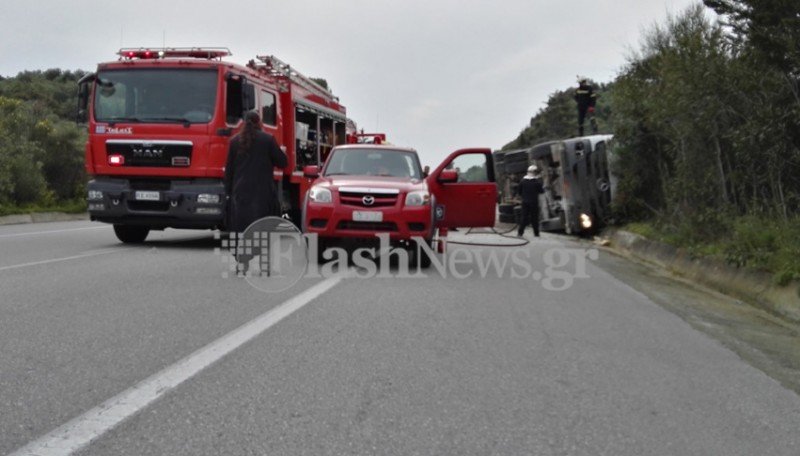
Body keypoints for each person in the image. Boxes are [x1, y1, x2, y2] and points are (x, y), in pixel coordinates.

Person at [224, 111, 288, 271]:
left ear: (244, 122)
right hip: (262, 193)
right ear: (259, 122)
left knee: (241, 229)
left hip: (241, 193)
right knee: (263, 229)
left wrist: (229, 192)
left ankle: (242, 263)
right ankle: (264, 265)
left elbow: (229, 170)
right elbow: (283, 162)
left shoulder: (234, 142)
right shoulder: (267, 140)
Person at [516, 165, 545, 238]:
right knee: (534, 218)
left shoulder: (522, 181)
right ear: (534, 172)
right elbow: (541, 191)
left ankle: (520, 233)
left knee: (524, 218)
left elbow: (519, 192)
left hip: (525, 202)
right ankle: (536, 233)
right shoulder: (536, 182)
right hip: (534, 202)